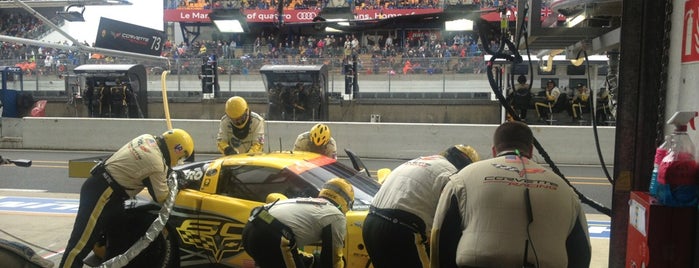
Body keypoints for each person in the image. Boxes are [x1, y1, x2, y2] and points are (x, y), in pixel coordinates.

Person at [430, 121, 591, 268]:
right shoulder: (565, 189)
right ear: (531, 150)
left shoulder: (462, 178)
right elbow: (581, 251)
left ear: (494, 150)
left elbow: (440, 237)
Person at [60, 128, 194, 268]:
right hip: (103, 194)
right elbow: (161, 196)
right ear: (177, 149)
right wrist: (178, 184)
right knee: (80, 245)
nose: (180, 161)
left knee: (119, 240)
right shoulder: (155, 164)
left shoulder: (147, 138)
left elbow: (149, 163)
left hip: (107, 191)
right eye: (181, 157)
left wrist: (168, 172)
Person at [363, 145, 480, 268]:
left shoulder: (420, 161)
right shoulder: (453, 175)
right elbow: (446, 220)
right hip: (401, 229)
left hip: (370, 223)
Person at [242, 178, 355, 268]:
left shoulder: (308, 202)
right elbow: (332, 260)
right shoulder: (336, 216)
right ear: (347, 202)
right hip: (274, 237)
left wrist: (311, 261)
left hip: (252, 226)